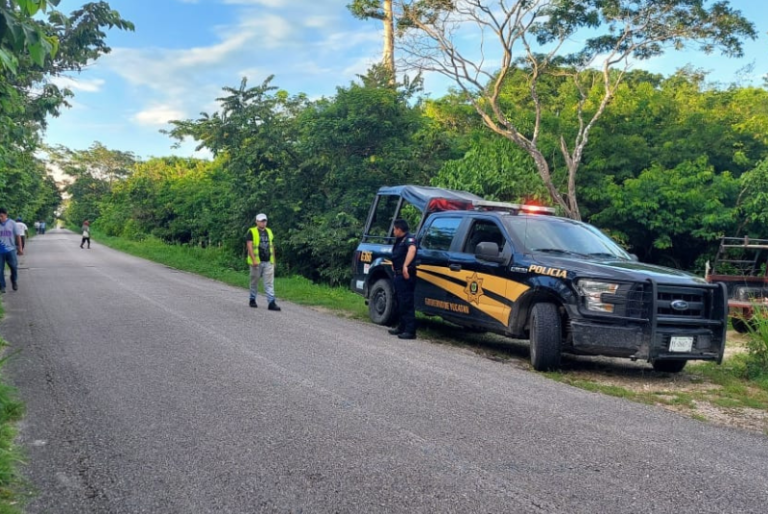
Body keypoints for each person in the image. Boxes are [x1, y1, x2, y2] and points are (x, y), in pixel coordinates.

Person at [388, 218, 418, 339]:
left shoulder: (409, 239)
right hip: (398, 275)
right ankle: (402, 327)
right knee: (400, 302)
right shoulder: (400, 240)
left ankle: (410, 331)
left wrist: (405, 266)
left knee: (406, 302)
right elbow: (398, 255)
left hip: (406, 276)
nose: (393, 231)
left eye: (394, 229)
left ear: (399, 229)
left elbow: (412, 250)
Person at [245, 213, 281, 311]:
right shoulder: (252, 231)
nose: (263, 223)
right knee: (254, 281)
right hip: (256, 262)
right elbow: (249, 246)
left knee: (269, 283)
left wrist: (274, 259)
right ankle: (252, 299)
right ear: (256, 221)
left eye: (264, 221)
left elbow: (271, 246)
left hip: (268, 261)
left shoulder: (269, 231)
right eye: (261, 221)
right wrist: (253, 260)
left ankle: (271, 302)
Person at [0, 208, 24, 293]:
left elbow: (18, 236)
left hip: (11, 250)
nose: (0, 218)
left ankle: (14, 281)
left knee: (14, 267)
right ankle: (2, 286)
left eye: (1, 216)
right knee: (0, 270)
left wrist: (20, 248)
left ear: (6, 215)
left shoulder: (12, 223)